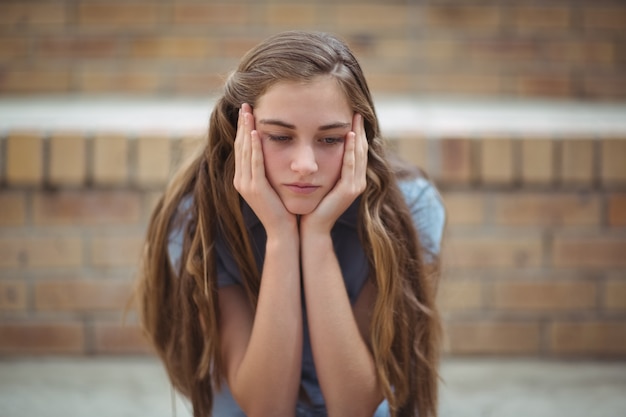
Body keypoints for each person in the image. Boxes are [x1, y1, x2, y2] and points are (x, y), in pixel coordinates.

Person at [137, 30, 445, 417]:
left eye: (330, 140)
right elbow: (267, 409)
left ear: (360, 137)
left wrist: (316, 237)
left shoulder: (410, 209)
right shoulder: (198, 214)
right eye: (280, 136)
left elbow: (353, 408)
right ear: (240, 133)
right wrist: (281, 235)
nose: (305, 165)